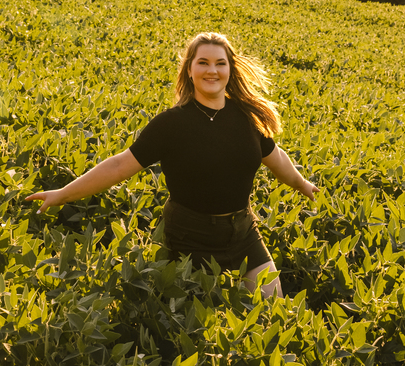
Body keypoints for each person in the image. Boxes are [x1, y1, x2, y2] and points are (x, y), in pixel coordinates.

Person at [26, 31, 318, 297]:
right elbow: (119, 167)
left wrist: (303, 184)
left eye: (220, 63)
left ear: (230, 69)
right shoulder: (172, 123)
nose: (212, 70)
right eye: (203, 62)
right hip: (189, 237)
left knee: (273, 309)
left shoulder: (246, 119)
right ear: (189, 70)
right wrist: (63, 193)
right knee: (197, 325)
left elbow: (277, 159)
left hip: (243, 233)